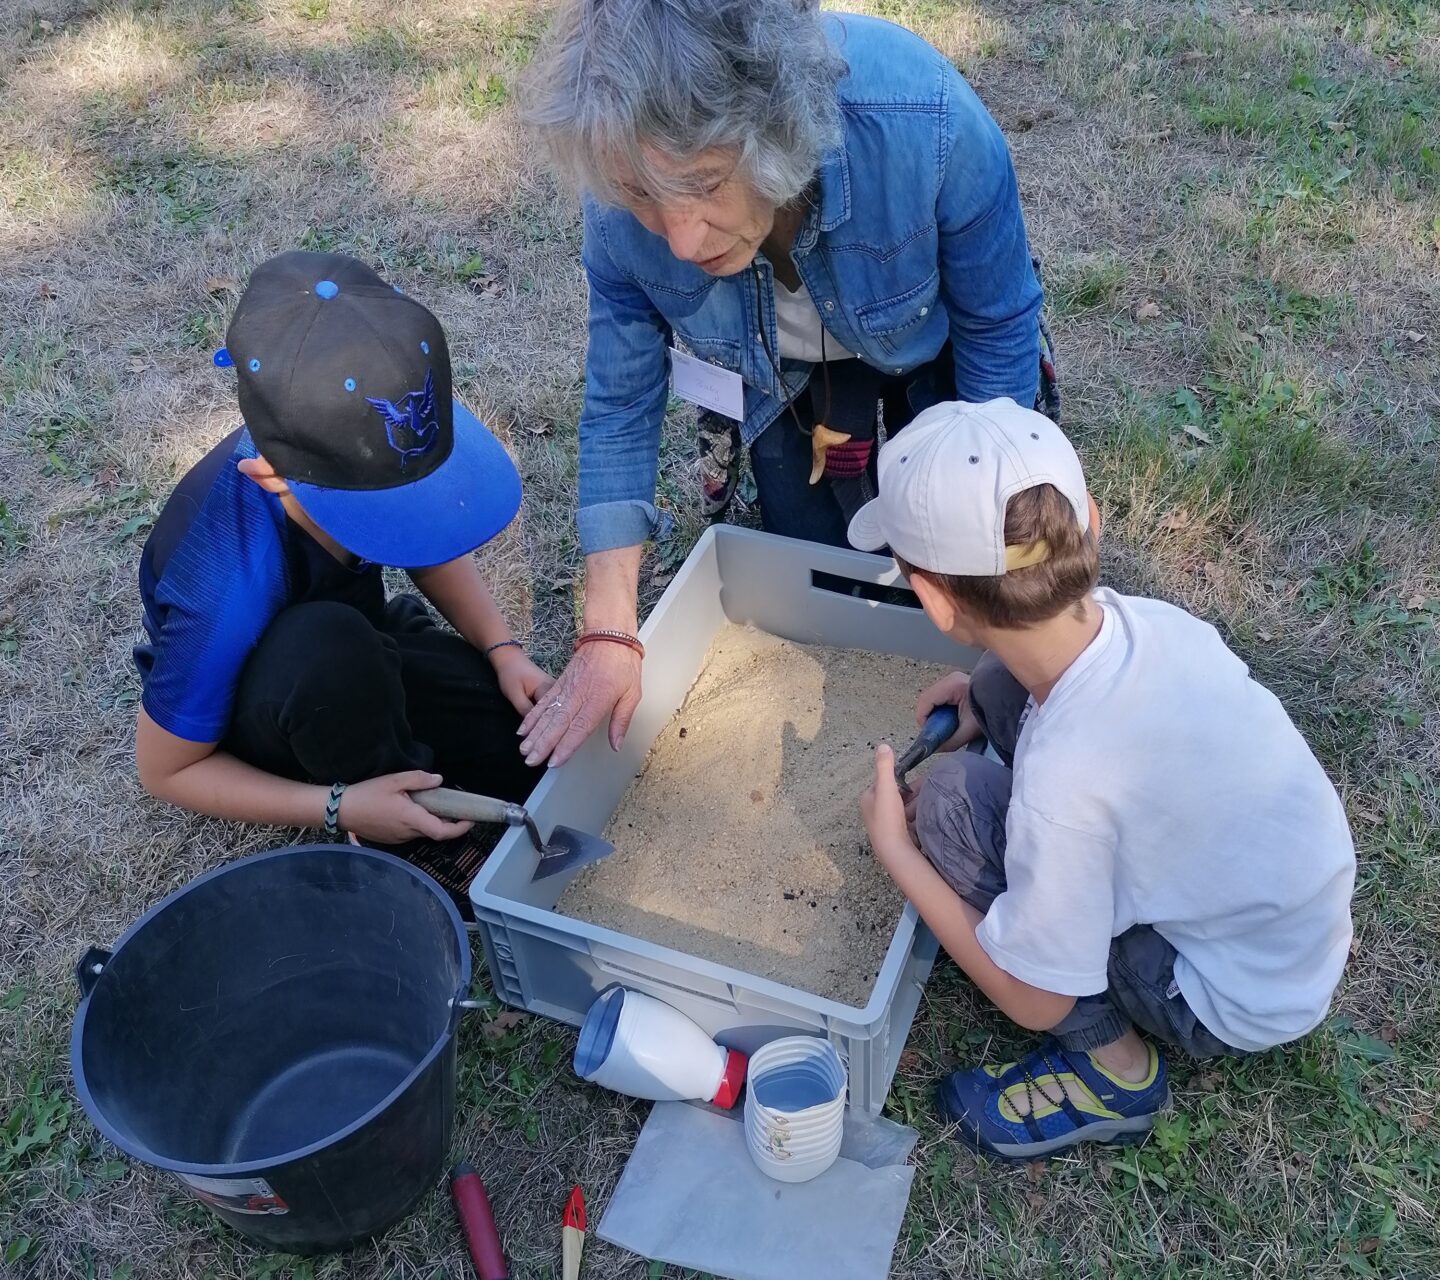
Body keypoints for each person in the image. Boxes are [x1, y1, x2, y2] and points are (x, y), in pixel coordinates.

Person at [517, 0, 1057, 768]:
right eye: (643, 197)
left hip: (931, 346)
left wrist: (995, 533)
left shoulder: (928, 124)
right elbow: (620, 401)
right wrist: (609, 626)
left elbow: (999, 326)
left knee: (959, 575)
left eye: (703, 183)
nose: (679, 238)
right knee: (818, 577)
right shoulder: (616, 206)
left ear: (775, 131)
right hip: (778, 379)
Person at [849, 398, 1356, 1159]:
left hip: (1223, 994)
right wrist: (984, 701)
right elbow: (1047, 697)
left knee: (951, 805)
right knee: (998, 679)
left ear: (932, 600)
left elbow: (1035, 996)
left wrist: (900, 854)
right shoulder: (1149, 621)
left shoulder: (1065, 787)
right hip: (1290, 927)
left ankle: (1115, 1071)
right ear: (1088, 517)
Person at [133, 251, 550, 902]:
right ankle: (399, 834)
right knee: (328, 650)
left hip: (363, 649)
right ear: (269, 475)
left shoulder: (355, 436)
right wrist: (339, 805)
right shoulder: (220, 580)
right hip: (276, 700)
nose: (398, 521)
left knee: (522, 745)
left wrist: (501, 651)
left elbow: (423, 538)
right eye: (376, 508)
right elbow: (166, 770)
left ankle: (389, 727)